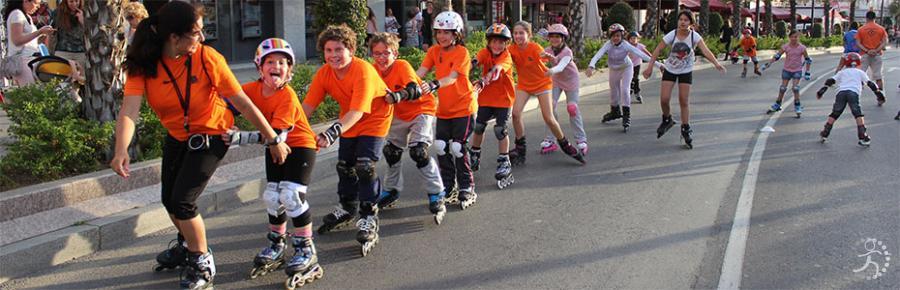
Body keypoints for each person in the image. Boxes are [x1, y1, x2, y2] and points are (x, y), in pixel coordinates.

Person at [112, 2, 291, 289]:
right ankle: (187, 243)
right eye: (196, 32)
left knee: (183, 201)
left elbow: (242, 103)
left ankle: (201, 260)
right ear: (174, 38)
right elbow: (128, 112)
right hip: (177, 136)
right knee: (169, 200)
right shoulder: (144, 63)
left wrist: (273, 139)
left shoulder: (207, 58)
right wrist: (121, 149)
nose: (202, 37)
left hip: (211, 135)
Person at [226, 38, 324, 287]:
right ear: (260, 67)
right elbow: (226, 103)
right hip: (275, 148)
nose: (276, 66)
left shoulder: (287, 96)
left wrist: (238, 137)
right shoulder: (251, 89)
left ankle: (306, 248)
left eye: (282, 62)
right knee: (272, 196)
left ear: (289, 70)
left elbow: (278, 135)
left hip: (300, 146)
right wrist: (225, 119)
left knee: (291, 196)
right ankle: (277, 245)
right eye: (271, 61)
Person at [305, 25, 393, 258]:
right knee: (345, 165)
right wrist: (288, 128)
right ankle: (347, 206)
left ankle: (368, 213)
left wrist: (331, 133)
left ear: (351, 50)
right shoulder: (324, 73)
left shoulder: (362, 70)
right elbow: (307, 107)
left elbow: (358, 111)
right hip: (349, 119)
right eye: (328, 50)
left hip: (374, 118)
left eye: (339, 49)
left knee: (365, 166)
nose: (333, 54)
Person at [368, 32, 446, 224]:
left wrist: (396, 96)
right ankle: (392, 189)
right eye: (377, 54)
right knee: (391, 152)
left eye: (386, 53)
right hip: (399, 114)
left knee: (418, 152)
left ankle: (437, 192)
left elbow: (414, 89)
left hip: (422, 109)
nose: (381, 58)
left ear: (395, 53)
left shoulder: (402, 66)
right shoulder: (372, 70)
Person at [416, 11, 479, 210]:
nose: (442, 36)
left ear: (456, 34)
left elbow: (452, 78)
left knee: (458, 148)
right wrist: (407, 85)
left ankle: (467, 186)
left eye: (447, 32)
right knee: (441, 147)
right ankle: (449, 185)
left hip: (463, 107)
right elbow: (420, 72)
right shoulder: (434, 51)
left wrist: (434, 84)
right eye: (439, 32)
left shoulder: (462, 53)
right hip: (443, 109)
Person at [643, 11, 726, 149]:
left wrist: (716, 64)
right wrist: (650, 67)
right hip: (670, 69)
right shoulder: (673, 34)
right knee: (664, 99)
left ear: (691, 23)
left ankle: (685, 128)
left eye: (686, 20)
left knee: (683, 100)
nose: (682, 22)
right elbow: (658, 49)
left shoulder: (694, 36)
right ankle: (667, 118)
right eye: (680, 19)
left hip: (686, 71)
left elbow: (705, 51)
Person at [508, 21, 585, 164]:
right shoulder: (511, 49)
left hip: (542, 84)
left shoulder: (535, 47)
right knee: (515, 114)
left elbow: (545, 55)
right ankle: (520, 149)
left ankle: (565, 145)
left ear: (529, 35)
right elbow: (502, 60)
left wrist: (550, 59)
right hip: (524, 85)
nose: (518, 36)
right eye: (515, 33)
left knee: (548, 117)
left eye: (521, 33)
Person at [470, 23, 516, 189]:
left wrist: (483, 80)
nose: (497, 45)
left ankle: (504, 160)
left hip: (504, 99)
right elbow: (475, 60)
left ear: (506, 44)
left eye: (501, 42)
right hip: (487, 98)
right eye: (494, 42)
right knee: (478, 127)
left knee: (500, 130)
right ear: (488, 43)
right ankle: (474, 154)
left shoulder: (506, 57)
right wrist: (465, 68)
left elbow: (496, 71)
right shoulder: (485, 52)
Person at [588, 24, 652, 133]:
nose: (615, 38)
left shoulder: (626, 45)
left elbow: (641, 54)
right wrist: (591, 66)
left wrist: (659, 65)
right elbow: (598, 55)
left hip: (626, 68)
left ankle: (626, 116)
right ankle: (615, 111)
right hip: (614, 70)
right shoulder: (608, 45)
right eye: (613, 36)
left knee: (625, 90)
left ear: (622, 36)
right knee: (613, 92)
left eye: (618, 35)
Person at [815, 52, 885, 146]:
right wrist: (879, 94)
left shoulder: (842, 72)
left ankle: (825, 132)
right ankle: (862, 135)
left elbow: (830, 81)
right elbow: (870, 84)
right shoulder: (860, 72)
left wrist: (822, 91)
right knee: (858, 114)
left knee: (835, 113)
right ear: (858, 62)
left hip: (841, 93)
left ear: (846, 62)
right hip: (853, 93)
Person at [543, 24, 589, 152]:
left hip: (571, 80)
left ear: (563, 38)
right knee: (550, 107)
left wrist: (550, 70)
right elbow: (537, 60)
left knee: (572, 108)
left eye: (557, 37)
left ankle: (581, 139)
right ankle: (550, 139)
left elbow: (561, 66)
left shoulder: (567, 52)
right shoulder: (548, 50)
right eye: (552, 36)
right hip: (557, 80)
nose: (554, 39)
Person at [2, 0, 56, 85]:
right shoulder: (17, 14)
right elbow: (17, 40)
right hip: (22, 60)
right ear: (26, 1)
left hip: (30, 59)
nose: (38, 7)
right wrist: (39, 32)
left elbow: (26, 38)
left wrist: (42, 34)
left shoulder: (26, 16)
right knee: (30, 92)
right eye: (36, 3)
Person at [761, 30, 813, 117]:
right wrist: (769, 63)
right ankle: (778, 104)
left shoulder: (802, 48)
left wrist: (807, 71)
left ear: (798, 38)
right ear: (789, 38)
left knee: (795, 88)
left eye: (796, 37)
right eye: (792, 37)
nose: (794, 39)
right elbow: (777, 56)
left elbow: (808, 60)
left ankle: (797, 105)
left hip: (797, 70)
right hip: (787, 70)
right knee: (782, 88)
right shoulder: (786, 47)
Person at [855, 11, 888, 106]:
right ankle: (881, 97)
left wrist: (867, 51)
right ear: (875, 18)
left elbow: (858, 42)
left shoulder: (861, 29)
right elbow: (884, 42)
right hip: (877, 55)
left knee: (860, 76)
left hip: (864, 55)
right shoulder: (881, 29)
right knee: (878, 76)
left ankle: (856, 98)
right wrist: (876, 50)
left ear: (866, 18)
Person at [50, 0, 86, 83]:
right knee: (61, 81)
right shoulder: (58, 13)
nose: (74, 4)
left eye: (77, 1)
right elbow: (52, 32)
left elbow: (91, 33)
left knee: (81, 82)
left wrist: (82, 21)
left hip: (81, 52)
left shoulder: (85, 12)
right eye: (71, 2)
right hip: (62, 51)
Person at [627, 31, 655, 104]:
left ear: (638, 39)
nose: (633, 40)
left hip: (637, 64)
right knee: (630, 78)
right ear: (629, 40)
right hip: (629, 65)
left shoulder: (640, 46)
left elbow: (646, 52)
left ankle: (636, 93)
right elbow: (623, 54)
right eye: (631, 38)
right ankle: (630, 90)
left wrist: (652, 57)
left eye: (635, 38)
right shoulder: (627, 46)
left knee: (635, 78)